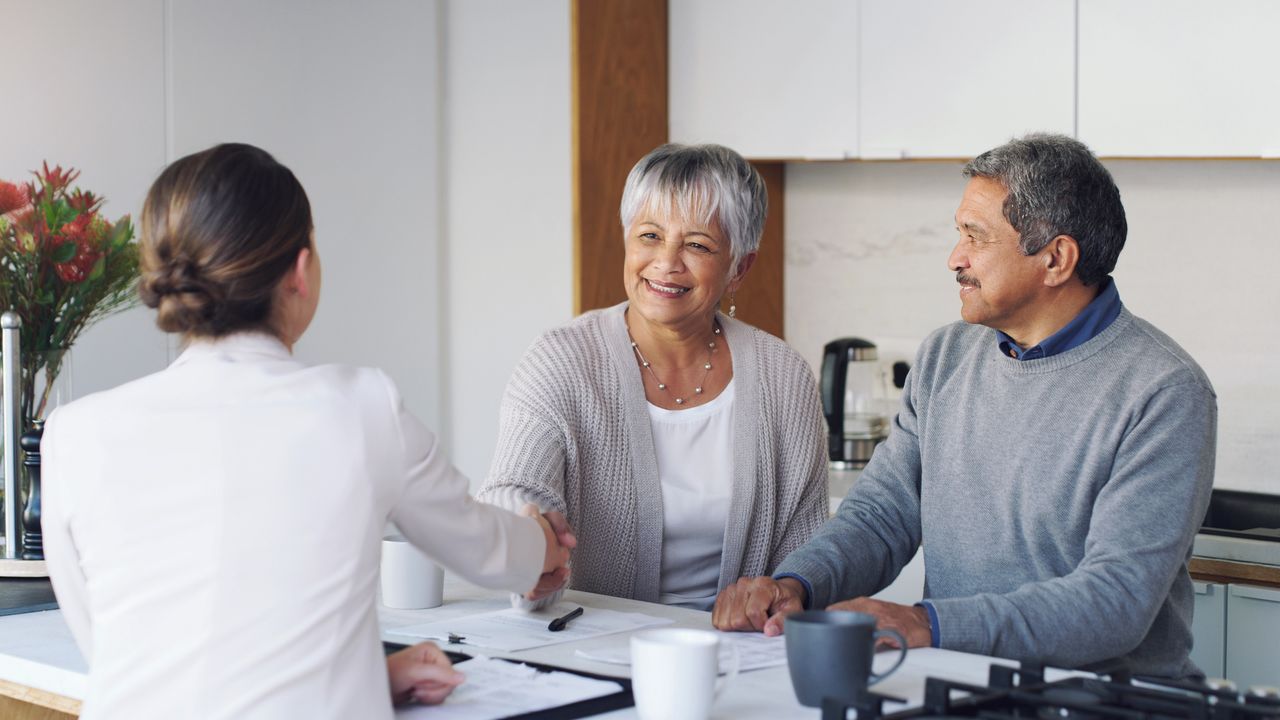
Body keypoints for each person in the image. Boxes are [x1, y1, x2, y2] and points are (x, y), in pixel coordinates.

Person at [40, 143, 572, 719]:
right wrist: (544, 541)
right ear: (300, 270)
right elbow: (488, 552)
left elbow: (124, 653)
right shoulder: (360, 407)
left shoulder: (74, 433)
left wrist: (368, 677)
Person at [712, 133, 1217, 679]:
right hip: (962, 682)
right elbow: (881, 516)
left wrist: (926, 623)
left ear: (1055, 258)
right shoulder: (946, 355)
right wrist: (797, 585)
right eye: (960, 234)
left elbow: (1113, 603)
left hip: (1104, 700)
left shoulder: (1165, 390)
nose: (956, 258)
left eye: (976, 237)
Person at [477, 143, 828, 611]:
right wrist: (526, 538)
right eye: (649, 236)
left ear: (739, 268)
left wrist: (783, 597)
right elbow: (512, 487)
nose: (666, 262)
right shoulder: (560, 360)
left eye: (697, 245)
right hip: (589, 639)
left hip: (738, 649)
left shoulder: (784, 376)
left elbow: (807, 551)